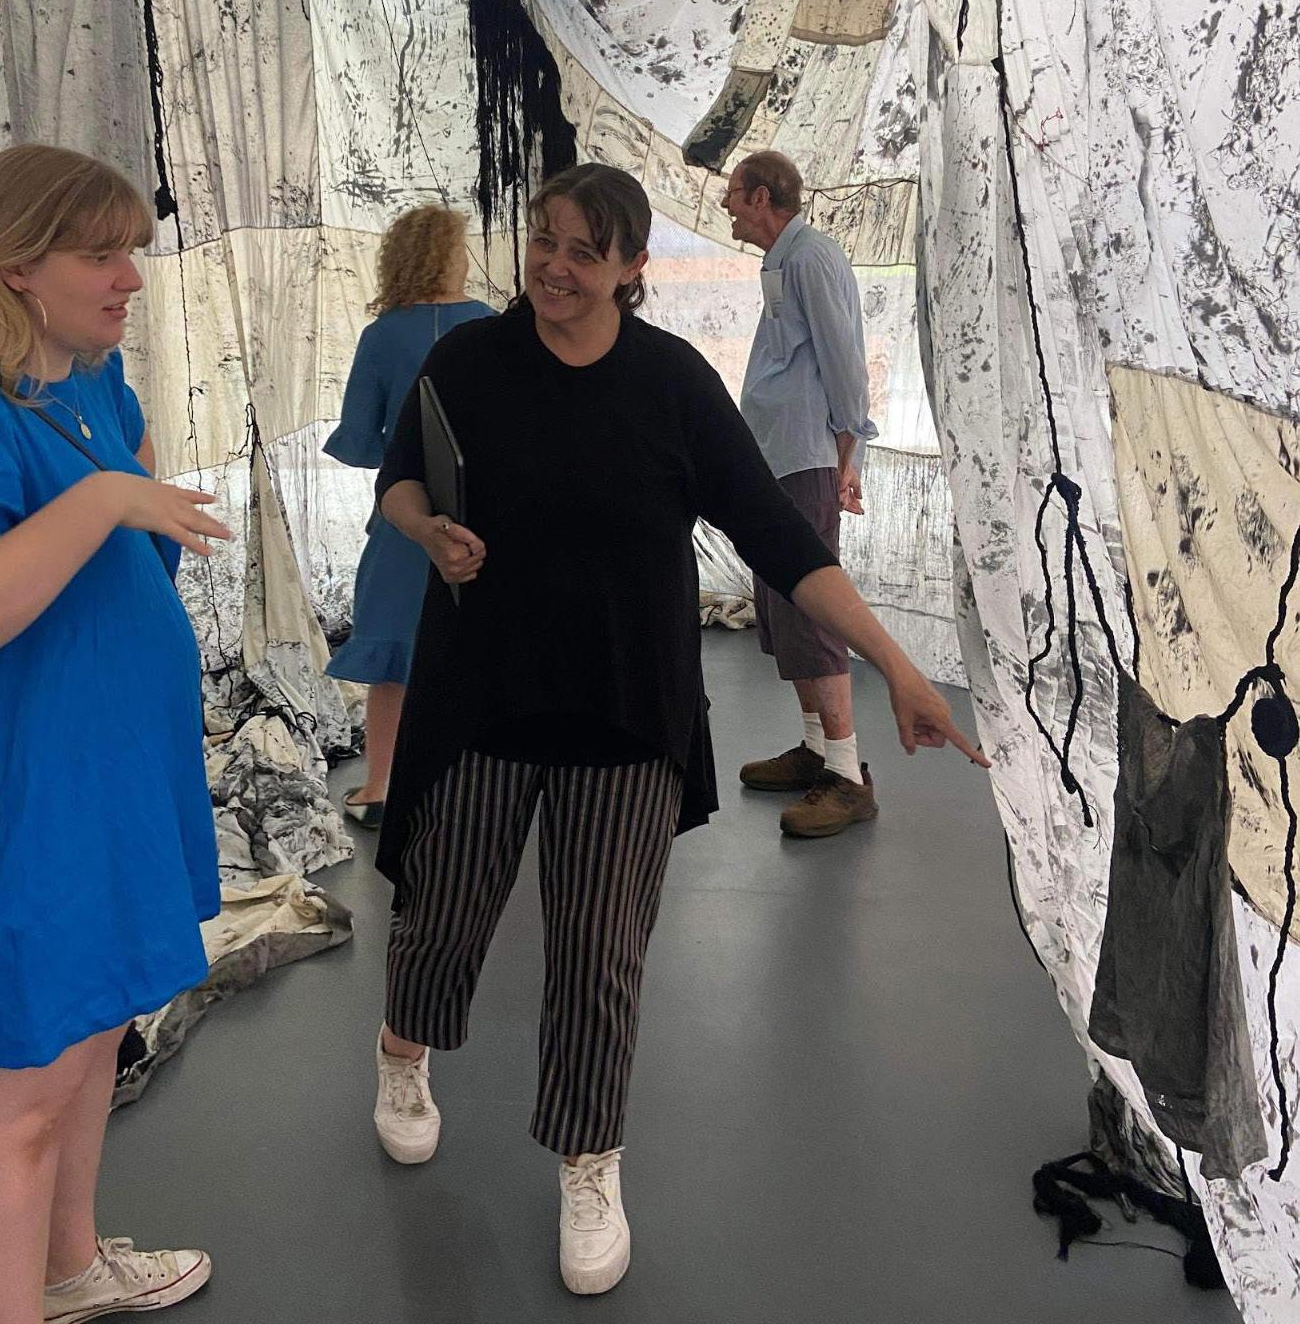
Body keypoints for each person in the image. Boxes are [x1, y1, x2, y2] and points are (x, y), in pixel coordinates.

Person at [364, 162, 987, 1297]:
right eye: (544, 240)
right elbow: (400, 481)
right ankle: (403, 1052)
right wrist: (425, 528)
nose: (555, 267)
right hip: (483, 697)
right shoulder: (469, 362)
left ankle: (589, 1162)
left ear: (632, 268)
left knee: (599, 950)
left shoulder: (671, 384)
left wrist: (896, 664)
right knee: (442, 913)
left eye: (584, 251)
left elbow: (781, 540)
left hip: (626, 707)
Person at [0, 145, 232, 1324]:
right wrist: (104, 498)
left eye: (134, 251)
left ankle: (67, 1269)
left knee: (88, 1046)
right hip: (20, 815)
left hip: (109, 790)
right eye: (102, 254)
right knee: (13, 1101)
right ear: (17, 266)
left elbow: (115, 578)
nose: (131, 278)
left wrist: (121, 487)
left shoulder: (94, 390)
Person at [721, 150, 886, 838]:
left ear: (762, 197)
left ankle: (846, 775)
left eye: (734, 193)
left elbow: (845, 361)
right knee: (785, 609)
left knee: (812, 610)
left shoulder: (811, 257)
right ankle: (818, 749)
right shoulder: (784, 260)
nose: (726, 205)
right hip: (779, 459)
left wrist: (849, 452)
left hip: (806, 458)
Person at [324, 206, 495, 825]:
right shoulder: (490, 325)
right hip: (484, 515)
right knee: (481, 651)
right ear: (452, 256)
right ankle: (477, 784)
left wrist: (406, 449)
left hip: (403, 520)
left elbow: (358, 441)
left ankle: (379, 787)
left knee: (392, 660)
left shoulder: (382, 335)